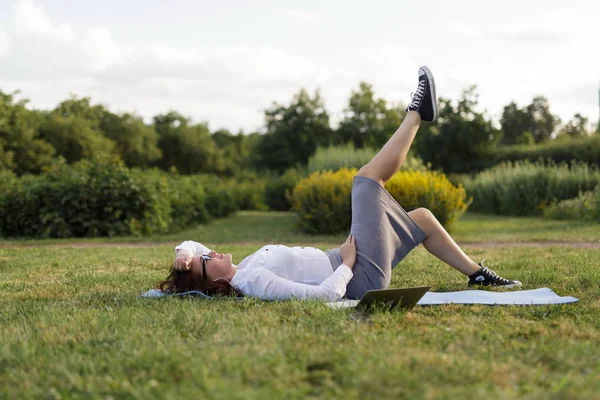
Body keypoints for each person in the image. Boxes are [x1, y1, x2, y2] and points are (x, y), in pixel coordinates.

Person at [158, 66, 521, 301]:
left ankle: (479, 276)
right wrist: (346, 265)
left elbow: (191, 245)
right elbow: (320, 298)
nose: (210, 252)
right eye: (207, 259)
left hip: (349, 260)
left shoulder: (245, 267)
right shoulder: (252, 283)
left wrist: (185, 254)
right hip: (356, 276)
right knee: (365, 180)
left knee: (422, 219)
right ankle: (417, 113)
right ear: (213, 283)